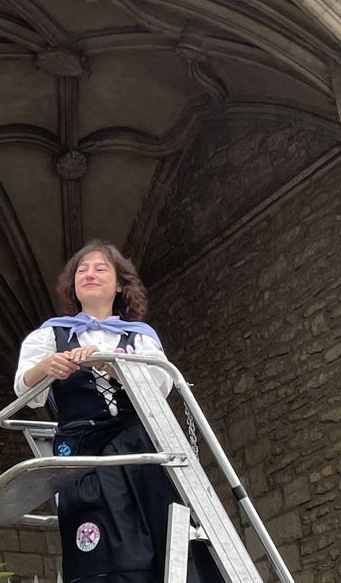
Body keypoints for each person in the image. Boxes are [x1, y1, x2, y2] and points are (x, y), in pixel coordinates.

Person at [14, 240, 222, 582]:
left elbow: (159, 383)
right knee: (102, 539)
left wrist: (110, 364)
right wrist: (48, 368)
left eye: (100, 268)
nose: (89, 274)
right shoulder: (51, 334)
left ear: (120, 283)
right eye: (81, 270)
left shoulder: (139, 337)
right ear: (73, 285)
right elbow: (25, 391)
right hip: (84, 447)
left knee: (160, 533)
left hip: (138, 445)